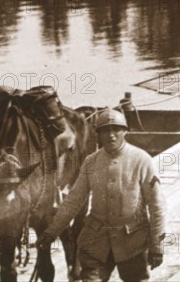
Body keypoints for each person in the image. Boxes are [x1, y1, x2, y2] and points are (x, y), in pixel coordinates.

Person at [39, 108, 166, 282]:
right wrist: (51, 232)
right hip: (96, 242)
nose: (111, 135)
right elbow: (73, 201)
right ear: (98, 134)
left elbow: (157, 205)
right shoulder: (91, 162)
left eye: (116, 130)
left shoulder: (142, 160)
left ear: (125, 132)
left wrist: (157, 244)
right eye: (105, 130)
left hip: (132, 242)